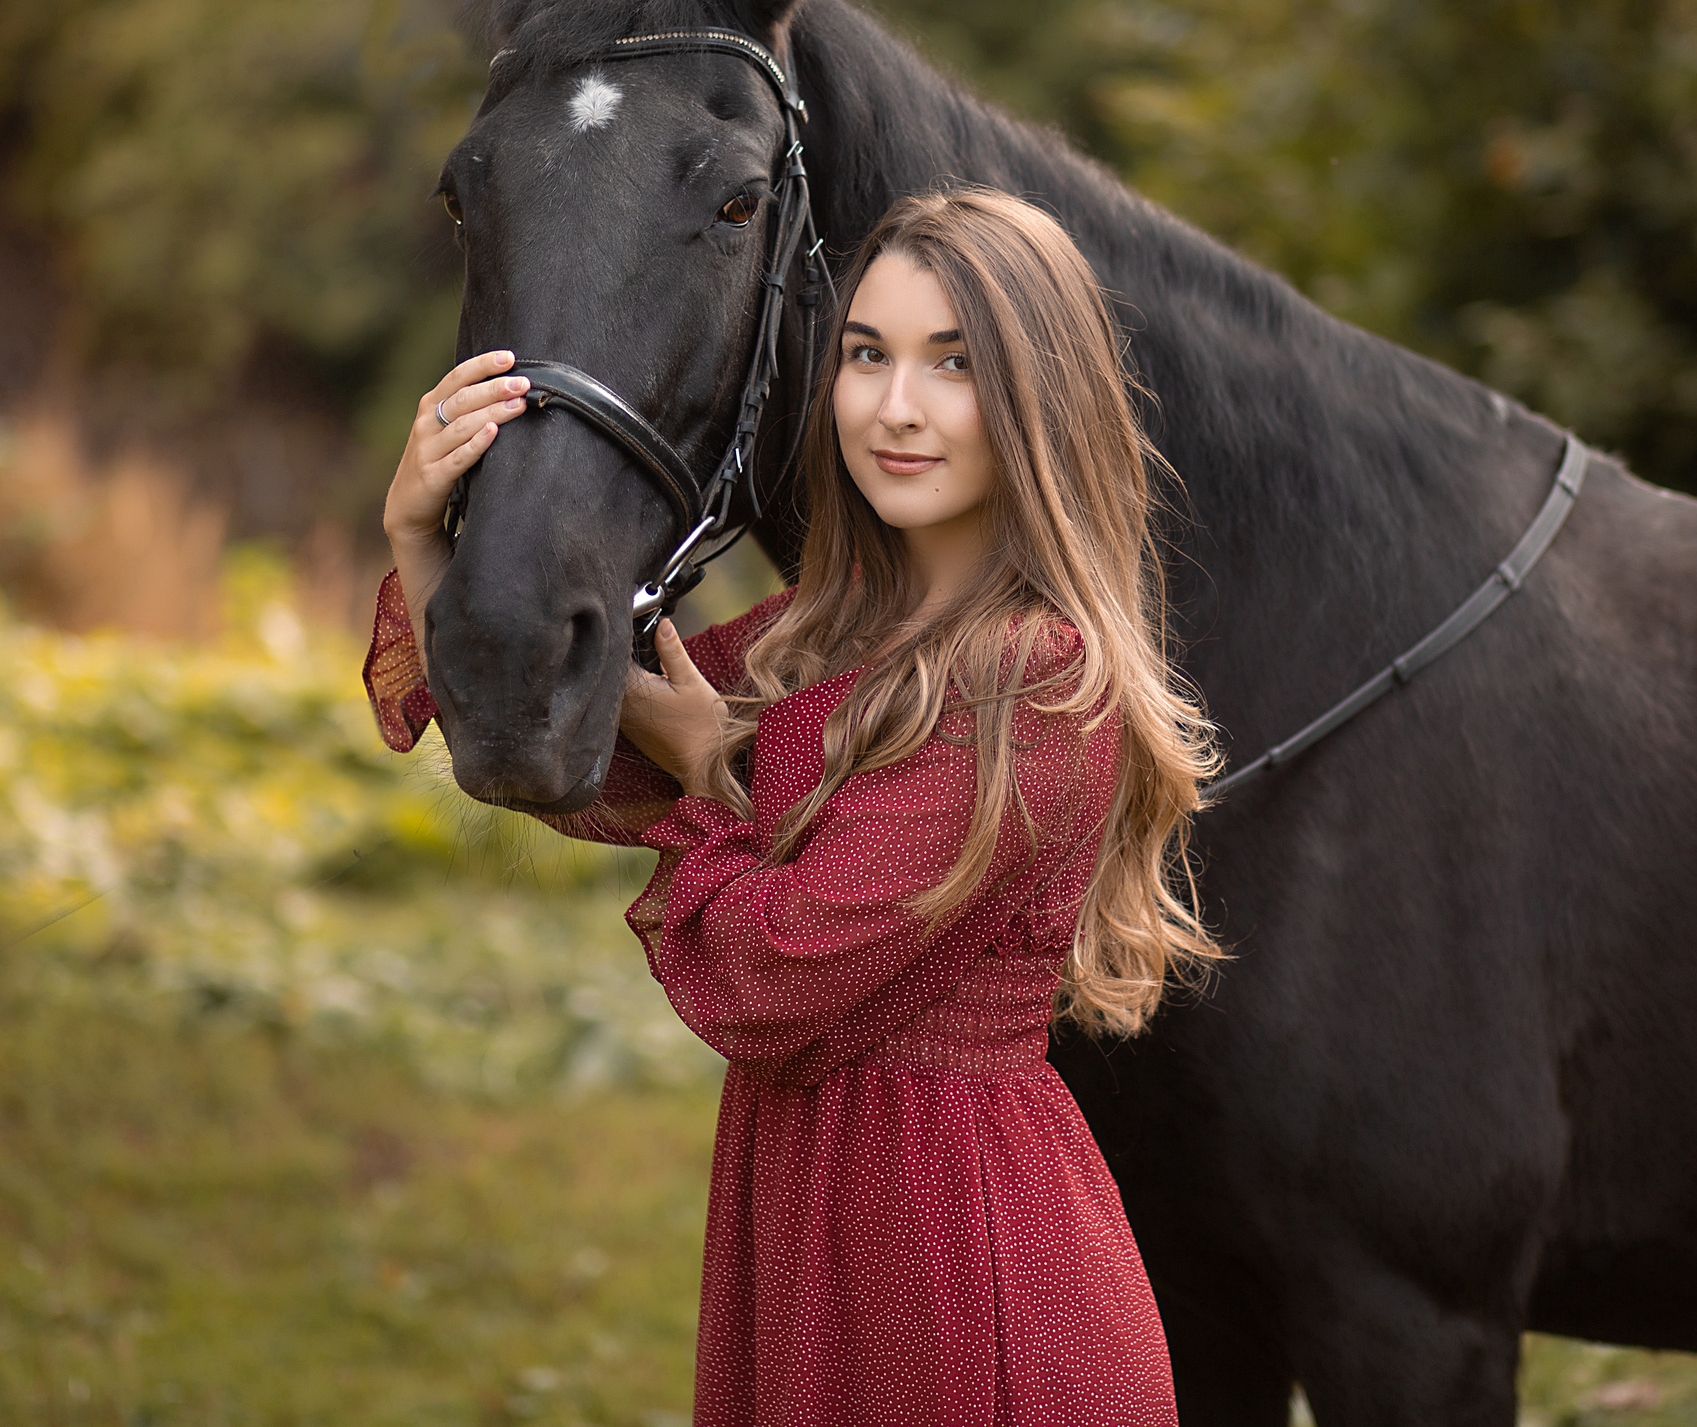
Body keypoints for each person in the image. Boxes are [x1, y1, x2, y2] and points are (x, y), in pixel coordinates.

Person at [364, 187, 1222, 1427]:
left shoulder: (1033, 676)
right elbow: (568, 746)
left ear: (1041, 402)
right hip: (818, 1223)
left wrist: (713, 763)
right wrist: (420, 537)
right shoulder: (827, 632)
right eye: (867, 355)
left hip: (965, 1266)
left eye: (954, 365)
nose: (894, 408)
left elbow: (774, 972)